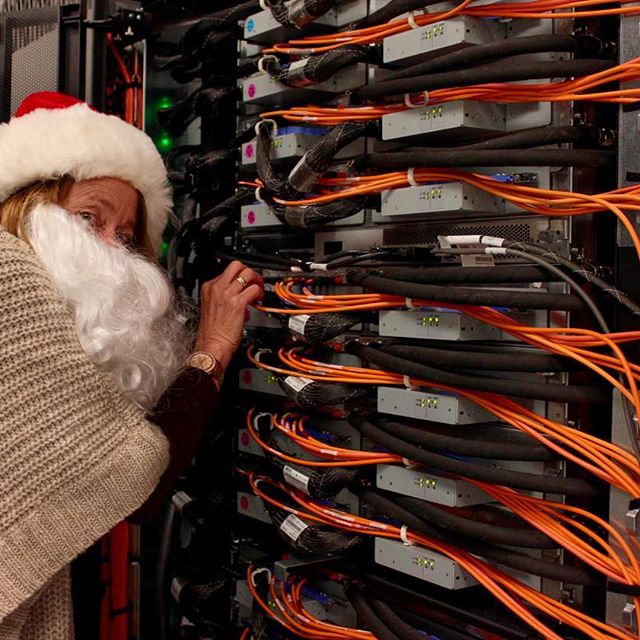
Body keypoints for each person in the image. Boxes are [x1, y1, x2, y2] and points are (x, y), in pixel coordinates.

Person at [0, 91, 263, 639]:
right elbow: (134, 476)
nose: (109, 253)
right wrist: (212, 345)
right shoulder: (12, 277)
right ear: (28, 205)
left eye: (123, 236)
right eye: (88, 217)